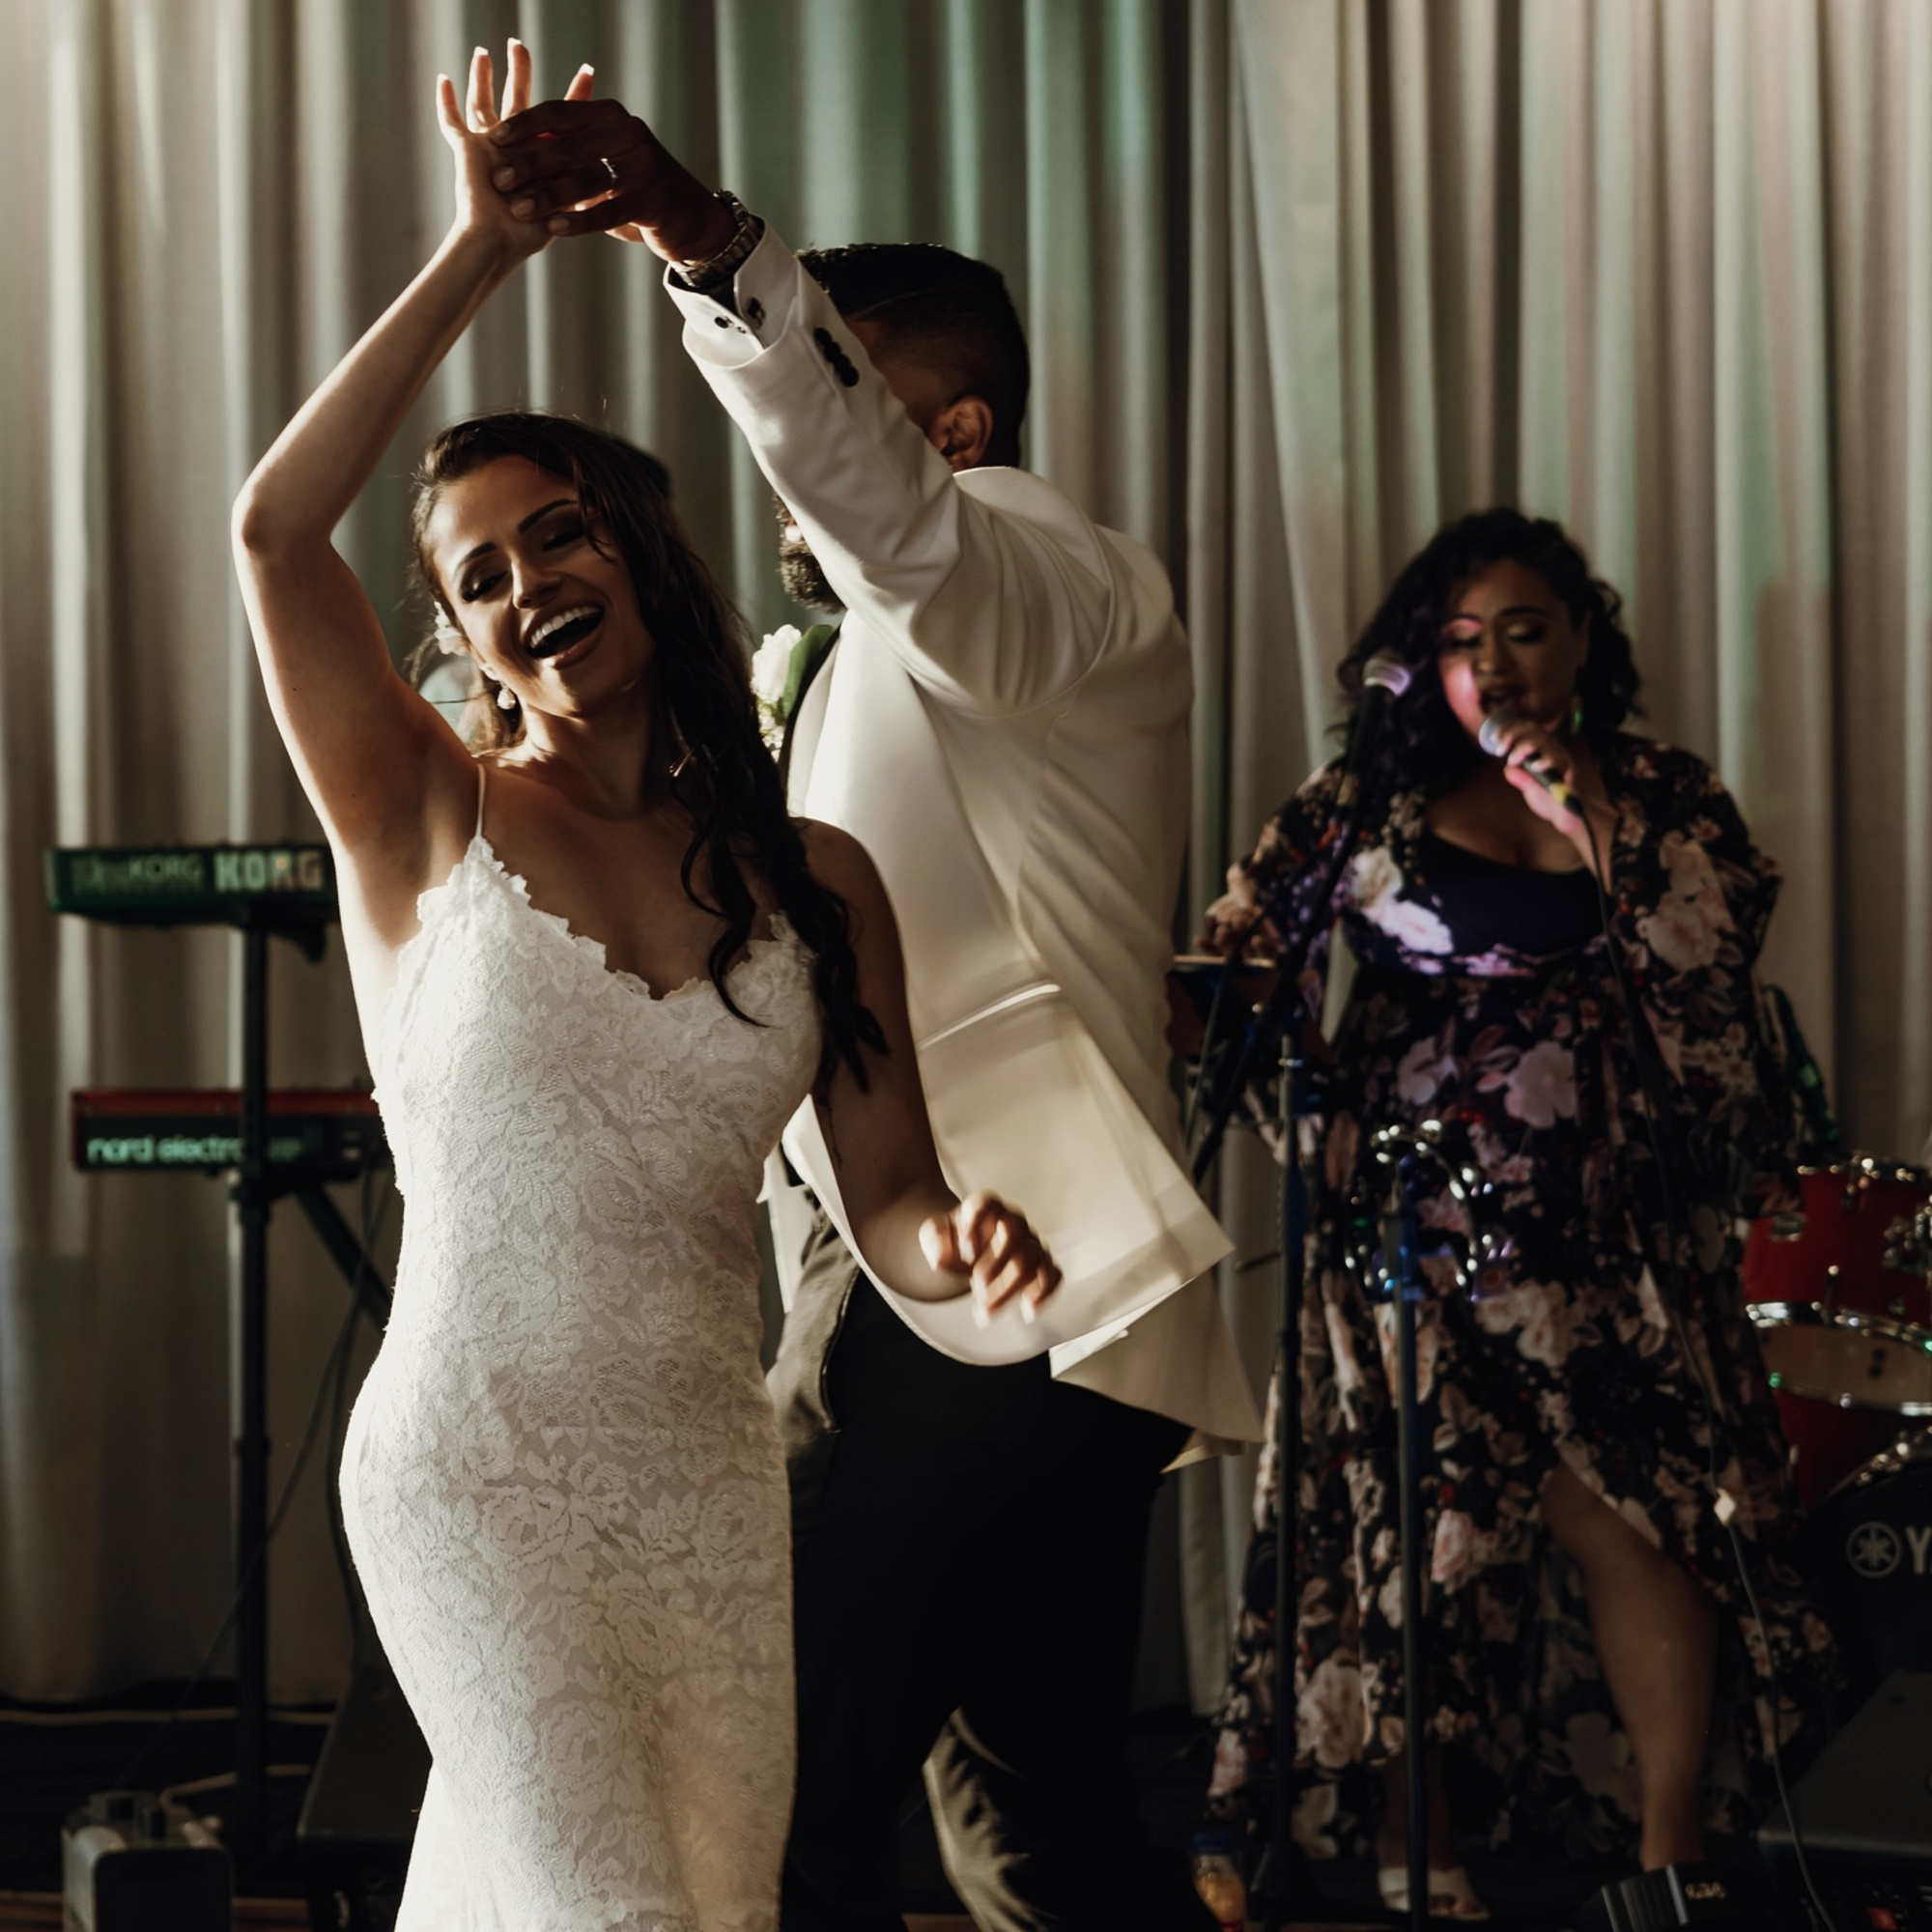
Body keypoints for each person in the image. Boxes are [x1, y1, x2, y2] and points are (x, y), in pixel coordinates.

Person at [230, 45, 1062, 1932]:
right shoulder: (417, 818)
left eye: (560, 533)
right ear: (459, 642)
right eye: (480, 578)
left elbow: (897, 1202)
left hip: (698, 1479)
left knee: (683, 1901)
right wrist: (478, 255)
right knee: (603, 1905)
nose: (528, 583)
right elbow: (275, 537)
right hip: (476, 1460)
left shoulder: (818, 881)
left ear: (641, 553)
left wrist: (972, 1248)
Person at [483, 71, 1264, 1932]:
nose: (789, 459)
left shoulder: (1049, 577)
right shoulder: (854, 661)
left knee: (758, 1787)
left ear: (957, 424)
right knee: (1041, 1822)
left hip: (975, 1284)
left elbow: (893, 515)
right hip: (1016, 1308)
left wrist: (702, 242)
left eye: (851, 378)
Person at [1200, 510, 1836, 1918]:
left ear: (1583, 641)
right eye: (1461, 640)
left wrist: (1584, 815)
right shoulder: (1359, 803)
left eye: (1526, 629)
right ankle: (1413, 1849)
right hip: (1418, 1239)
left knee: (1641, 1520)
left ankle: (1672, 1860)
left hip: (1617, 1242)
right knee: (1422, 1530)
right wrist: (1313, 1112)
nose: (1495, 663)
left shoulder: (1660, 793)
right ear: (1424, 666)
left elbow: (1714, 982)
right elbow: (1237, 973)